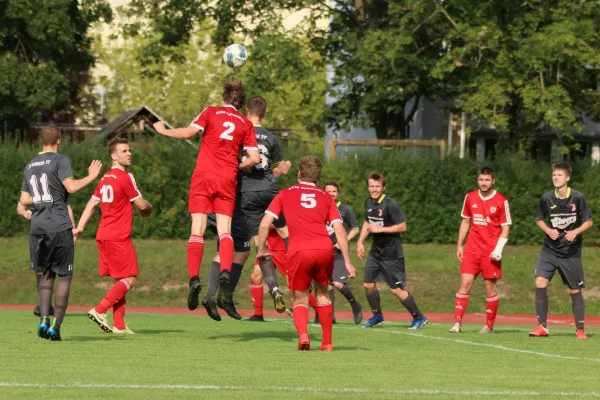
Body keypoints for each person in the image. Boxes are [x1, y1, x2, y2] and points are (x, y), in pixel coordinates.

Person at [153, 80, 260, 312]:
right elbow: (254, 158)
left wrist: (163, 130)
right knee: (225, 230)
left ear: (224, 97)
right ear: (240, 103)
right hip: (227, 178)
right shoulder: (245, 123)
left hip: (204, 175)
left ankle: (193, 278)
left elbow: (188, 133)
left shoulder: (211, 112)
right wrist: (234, 165)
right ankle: (224, 271)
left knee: (197, 228)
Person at [200, 96, 292, 320]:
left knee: (233, 247)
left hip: (239, 195)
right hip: (267, 191)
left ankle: (215, 296)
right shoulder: (271, 137)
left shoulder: (239, 130)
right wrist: (278, 171)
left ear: (246, 110)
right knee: (271, 238)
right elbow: (279, 166)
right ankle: (287, 279)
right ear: (265, 113)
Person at [257, 155, 356, 352]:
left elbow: (264, 224)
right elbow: (340, 231)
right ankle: (327, 343)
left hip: (299, 250)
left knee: (300, 297)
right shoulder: (326, 197)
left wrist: (261, 250)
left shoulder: (285, 194)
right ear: (318, 178)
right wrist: (347, 261)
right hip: (324, 249)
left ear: (299, 174)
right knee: (322, 294)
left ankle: (303, 335)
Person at [18, 125, 102, 341]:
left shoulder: (30, 165)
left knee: (45, 276)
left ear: (40, 142)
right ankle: (56, 328)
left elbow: (24, 200)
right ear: (59, 141)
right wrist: (92, 176)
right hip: (58, 225)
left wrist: (42, 200)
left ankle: (43, 319)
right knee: (64, 276)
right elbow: (72, 187)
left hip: (38, 228)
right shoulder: (60, 160)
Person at [75, 137, 152, 334]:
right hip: (118, 236)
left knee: (122, 279)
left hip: (103, 234)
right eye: (124, 151)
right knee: (131, 279)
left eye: (129, 150)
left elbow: (92, 204)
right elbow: (142, 204)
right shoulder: (125, 177)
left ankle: (119, 325)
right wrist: (147, 209)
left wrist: (80, 227)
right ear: (113, 155)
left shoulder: (105, 178)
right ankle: (100, 310)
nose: (129, 154)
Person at [529, 163, 593, 339]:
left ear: (567, 178)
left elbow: (588, 221)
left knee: (574, 290)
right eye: (554, 175)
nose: (556, 177)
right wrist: (548, 230)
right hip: (549, 250)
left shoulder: (578, 198)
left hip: (571, 253)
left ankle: (580, 329)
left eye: (559, 175)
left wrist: (575, 231)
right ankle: (542, 326)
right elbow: (539, 219)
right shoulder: (546, 198)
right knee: (540, 282)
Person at [357, 172, 427, 329]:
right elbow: (367, 222)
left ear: (383, 187)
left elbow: (403, 226)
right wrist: (361, 241)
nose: (374, 189)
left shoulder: (390, 204)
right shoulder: (368, 202)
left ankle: (419, 317)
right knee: (368, 284)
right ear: (368, 187)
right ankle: (377, 316)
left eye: (377, 186)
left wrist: (381, 229)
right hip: (375, 252)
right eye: (371, 186)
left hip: (392, 255)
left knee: (396, 290)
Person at [450, 167, 511, 334]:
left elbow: (506, 228)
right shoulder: (470, 197)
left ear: (493, 181)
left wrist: (498, 249)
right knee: (465, 284)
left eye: (487, 180)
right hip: (471, 250)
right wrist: (459, 244)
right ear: (477, 180)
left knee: (489, 289)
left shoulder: (501, 201)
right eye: (481, 180)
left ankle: (489, 326)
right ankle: (457, 324)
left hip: (490, 253)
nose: (484, 183)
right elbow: (465, 222)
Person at [321, 181, 363, 324]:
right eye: (328, 191)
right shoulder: (319, 208)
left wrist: (343, 240)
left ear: (337, 193)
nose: (331, 194)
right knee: (327, 285)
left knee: (338, 283)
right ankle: (329, 317)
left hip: (339, 252)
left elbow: (355, 229)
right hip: (323, 252)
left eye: (334, 191)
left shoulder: (345, 209)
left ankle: (355, 305)